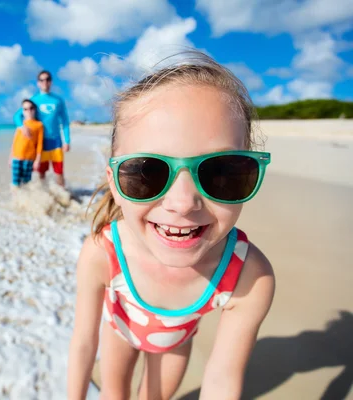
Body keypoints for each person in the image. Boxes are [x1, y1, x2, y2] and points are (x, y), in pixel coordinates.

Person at [67, 52, 276, 400]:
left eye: (219, 171)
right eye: (148, 172)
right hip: (119, 331)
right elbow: (84, 343)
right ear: (116, 184)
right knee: (113, 394)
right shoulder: (102, 253)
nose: (182, 203)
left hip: (174, 343)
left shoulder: (248, 276)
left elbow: (222, 382)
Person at [13, 70, 70, 187]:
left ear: (51, 82)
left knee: (59, 172)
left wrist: (67, 140)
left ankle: (64, 197)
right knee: (41, 174)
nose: (45, 82)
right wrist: (22, 127)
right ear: (38, 83)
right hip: (41, 144)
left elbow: (64, 121)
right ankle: (46, 196)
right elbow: (17, 116)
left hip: (56, 143)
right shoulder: (34, 100)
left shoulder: (58, 100)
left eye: (48, 79)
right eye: (42, 80)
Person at [8, 99, 43, 187]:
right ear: (23, 111)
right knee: (15, 183)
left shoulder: (39, 125)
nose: (29, 111)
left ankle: (26, 199)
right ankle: (16, 199)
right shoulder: (20, 125)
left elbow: (39, 144)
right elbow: (15, 141)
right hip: (16, 157)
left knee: (26, 183)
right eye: (25, 109)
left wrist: (37, 160)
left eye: (31, 108)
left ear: (35, 109)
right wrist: (10, 157)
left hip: (29, 158)